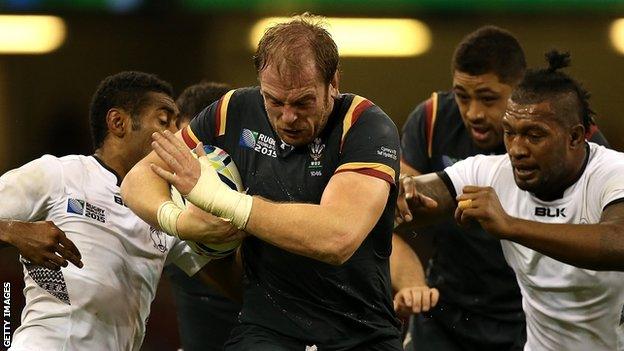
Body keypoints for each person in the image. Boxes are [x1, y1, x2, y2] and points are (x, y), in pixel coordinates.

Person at [121, 13, 403, 350]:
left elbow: (337, 237)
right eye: (274, 100)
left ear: (334, 84)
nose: (287, 116)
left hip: (360, 331)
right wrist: (180, 222)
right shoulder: (232, 111)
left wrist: (225, 202)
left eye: (303, 102)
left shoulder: (365, 126)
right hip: (268, 329)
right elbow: (138, 179)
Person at [393, 26, 609, 351]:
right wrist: (410, 279)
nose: (474, 113)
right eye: (462, 97)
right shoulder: (436, 120)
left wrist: (510, 226)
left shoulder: (589, 150)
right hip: (447, 307)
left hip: (527, 312)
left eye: (489, 98)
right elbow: (398, 209)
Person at [0, 71, 239, 350]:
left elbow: (231, 281)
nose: (177, 136)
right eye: (165, 121)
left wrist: (235, 216)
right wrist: (14, 232)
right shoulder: (59, 174)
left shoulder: (167, 207)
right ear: (118, 123)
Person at [163, 81, 241, 351]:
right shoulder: (162, 195)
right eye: (191, 145)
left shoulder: (271, 191)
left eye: (212, 147)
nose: (204, 160)